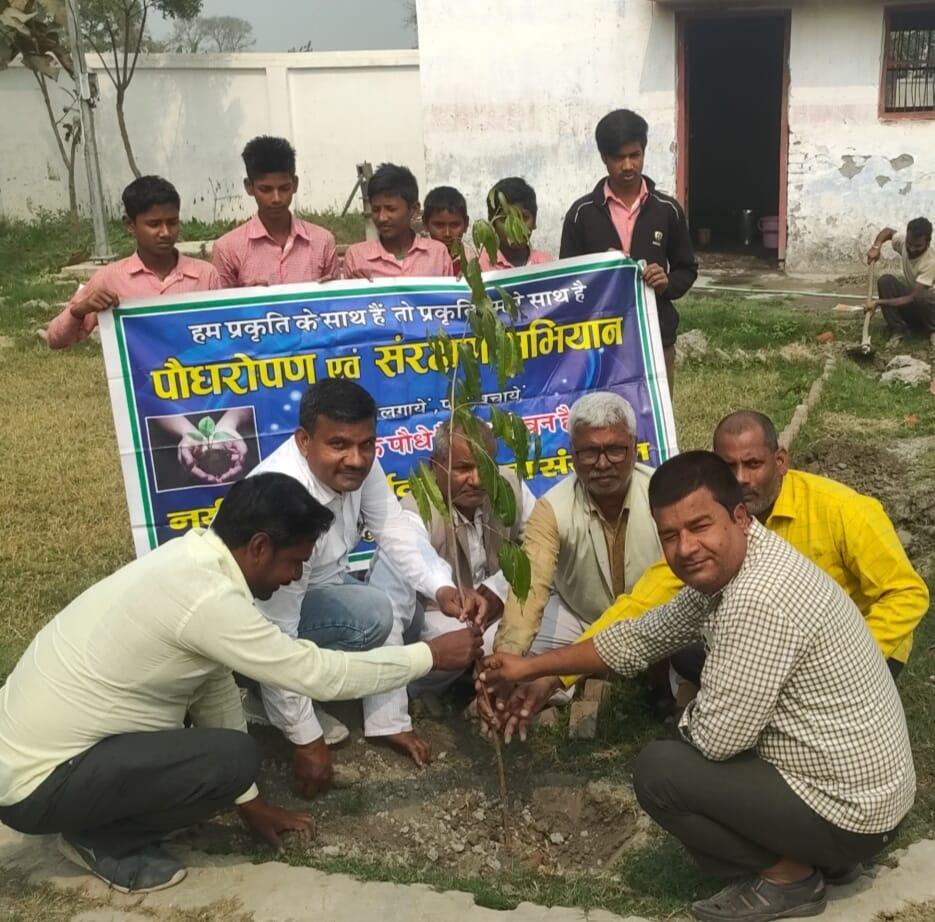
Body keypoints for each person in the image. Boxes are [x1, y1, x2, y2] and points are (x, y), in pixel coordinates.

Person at [480, 452, 915, 922]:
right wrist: (536, 671)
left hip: (855, 813)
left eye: (700, 526)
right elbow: (639, 637)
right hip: (865, 797)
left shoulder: (757, 599)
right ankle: (825, 856)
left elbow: (717, 740)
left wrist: (689, 713)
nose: (686, 547)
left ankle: (790, 877)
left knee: (662, 772)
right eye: (670, 535)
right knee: (685, 728)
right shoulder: (740, 563)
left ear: (739, 517)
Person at [0, 474, 481, 894]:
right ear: (259, 547)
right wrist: (429, 656)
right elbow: (314, 672)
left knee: (230, 758)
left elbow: (213, 685)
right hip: (37, 787)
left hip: (36, 761)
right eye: (295, 562)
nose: (296, 576)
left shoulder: (192, 559)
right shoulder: (208, 599)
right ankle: (98, 836)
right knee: (232, 759)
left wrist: (249, 802)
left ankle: (94, 813)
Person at [502, 409, 929, 734]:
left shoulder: (844, 510)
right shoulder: (712, 532)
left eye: (753, 464)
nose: (741, 478)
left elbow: (906, 593)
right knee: (688, 651)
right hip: (767, 647)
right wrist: (554, 674)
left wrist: (853, 657)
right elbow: (640, 606)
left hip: (857, 652)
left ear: (780, 461)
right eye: (728, 468)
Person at [247, 379, 486, 784]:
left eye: (366, 445)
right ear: (304, 441)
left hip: (316, 596)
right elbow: (276, 634)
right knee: (373, 615)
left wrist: (441, 587)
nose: (356, 459)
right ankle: (265, 695)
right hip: (253, 626)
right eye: (338, 445)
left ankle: (346, 706)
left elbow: (392, 527)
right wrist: (306, 741)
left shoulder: (361, 467)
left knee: (406, 607)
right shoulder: (283, 502)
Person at [368, 417, 537, 708]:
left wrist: (498, 589)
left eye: (485, 467)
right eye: (463, 469)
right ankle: (423, 693)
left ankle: (486, 685)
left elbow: (539, 547)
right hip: (441, 618)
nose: (477, 480)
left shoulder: (509, 487)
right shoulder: (416, 510)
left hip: (500, 609)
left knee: (545, 617)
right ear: (436, 466)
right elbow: (402, 593)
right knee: (474, 641)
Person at [491, 392, 662, 660]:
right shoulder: (552, 508)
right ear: (573, 453)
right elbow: (532, 583)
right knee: (497, 646)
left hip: (654, 617)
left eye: (615, 450)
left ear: (634, 446)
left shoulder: (663, 492)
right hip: (580, 618)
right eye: (590, 452)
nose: (602, 464)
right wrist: (508, 655)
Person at [559, 109, 697, 391]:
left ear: (644, 151)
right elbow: (567, 280)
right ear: (603, 157)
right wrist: (601, 269)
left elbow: (686, 268)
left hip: (656, 336)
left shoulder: (667, 210)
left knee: (655, 410)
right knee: (603, 412)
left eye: (635, 155)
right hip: (600, 342)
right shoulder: (581, 214)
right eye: (618, 158)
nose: (628, 166)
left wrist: (666, 283)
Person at [46, 176, 221, 349]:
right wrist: (79, 311)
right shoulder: (110, 279)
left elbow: (225, 334)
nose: (166, 233)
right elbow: (55, 340)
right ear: (130, 225)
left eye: (173, 222)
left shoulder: (205, 275)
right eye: (154, 224)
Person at [211, 136, 338, 288]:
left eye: (284, 188)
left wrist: (331, 290)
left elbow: (337, 300)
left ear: (295, 184)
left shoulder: (322, 241)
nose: (276, 198)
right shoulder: (227, 249)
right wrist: (246, 297)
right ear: (249, 187)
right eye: (266, 189)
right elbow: (222, 302)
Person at [343, 163, 455, 279]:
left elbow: (450, 291)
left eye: (391, 209)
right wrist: (353, 285)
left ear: (414, 209)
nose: (382, 218)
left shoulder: (437, 254)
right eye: (376, 210)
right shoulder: (356, 257)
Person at [867, 217, 935, 349]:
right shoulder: (904, 241)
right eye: (909, 243)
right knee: (886, 281)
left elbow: (912, 298)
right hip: (915, 308)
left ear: (927, 243)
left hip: (930, 311)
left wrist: (878, 303)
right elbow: (888, 232)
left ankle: (933, 331)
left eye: (918, 246)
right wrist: (876, 247)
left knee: (922, 296)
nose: (912, 249)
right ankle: (898, 331)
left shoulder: (931, 262)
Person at [478, 177, 552, 270]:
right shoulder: (481, 266)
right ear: (492, 224)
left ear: (534, 222)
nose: (515, 227)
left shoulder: (546, 263)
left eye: (524, 217)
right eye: (505, 219)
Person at [422, 185, 472, 273]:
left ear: (466, 224)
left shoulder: (476, 262)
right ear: (425, 224)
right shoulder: (417, 263)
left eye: (455, 225)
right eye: (439, 225)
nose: (447, 234)